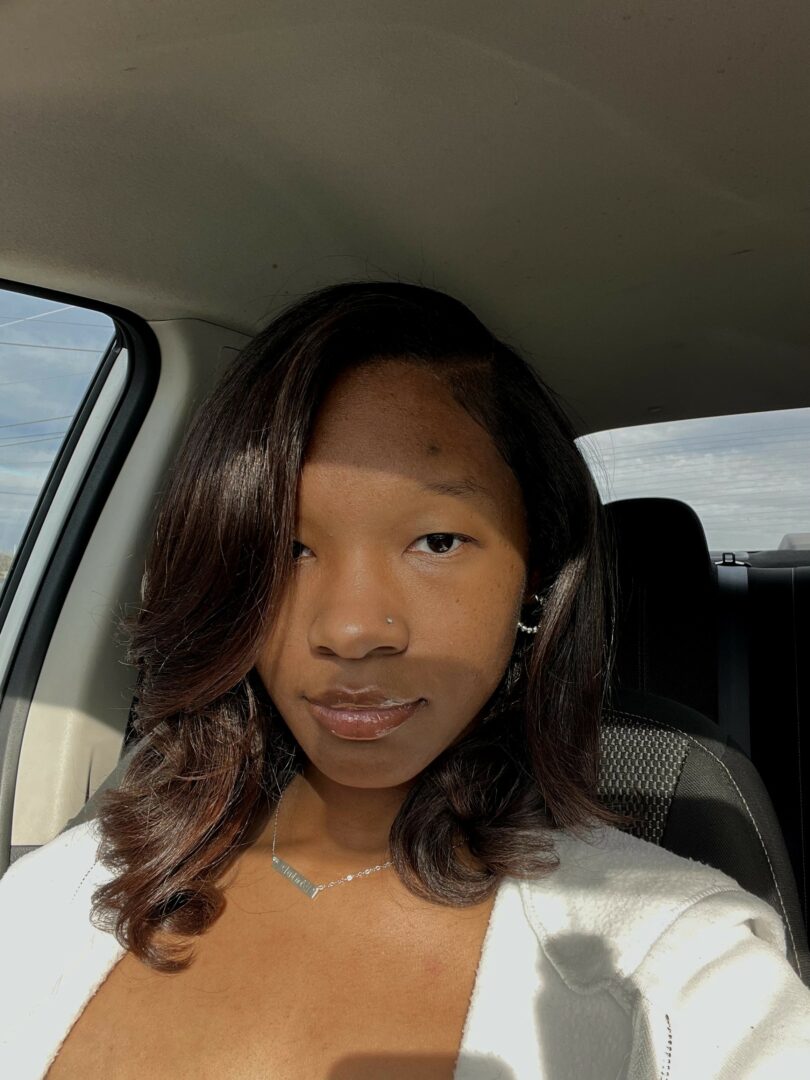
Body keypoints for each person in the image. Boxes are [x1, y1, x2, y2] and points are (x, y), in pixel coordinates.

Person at [1, 280, 809, 1079]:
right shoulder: (58, 891)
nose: (351, 630)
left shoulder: (670, 961)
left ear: (534, 575)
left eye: (437, 542)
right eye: (287, 548)